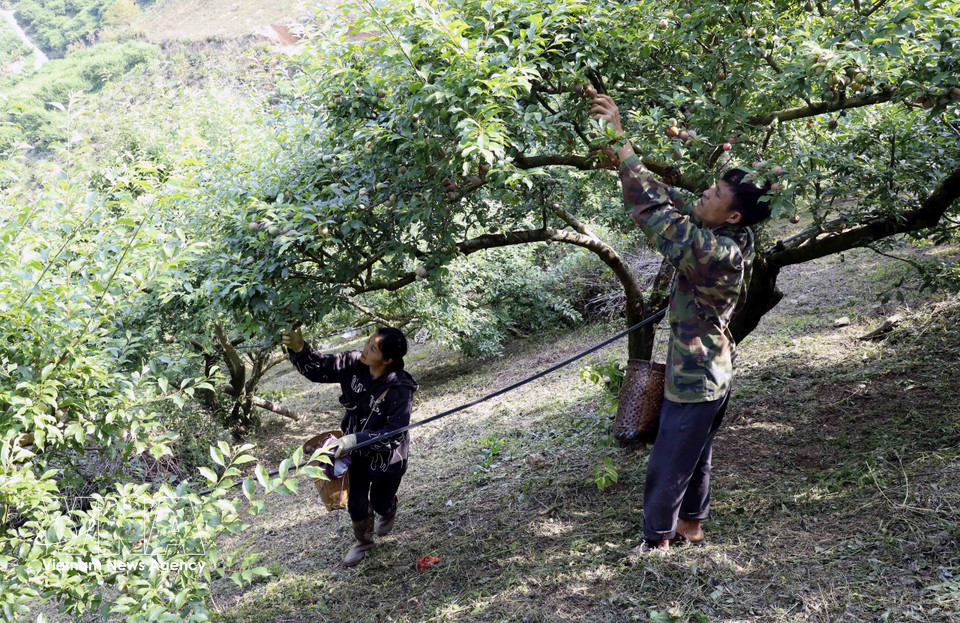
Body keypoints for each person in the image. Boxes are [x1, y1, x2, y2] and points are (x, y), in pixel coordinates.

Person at [588, 87, 772, 553]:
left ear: (732, 213)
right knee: (696, 453)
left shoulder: (717, 252)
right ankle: (691, 526)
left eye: (713, 193)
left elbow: (655, 213)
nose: (703, 193)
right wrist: (623, 158)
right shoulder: (730, 236)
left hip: (697, 373)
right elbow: (665, 196)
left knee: (670, 459)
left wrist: (623, 141)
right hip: (709, 368)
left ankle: (657, 542)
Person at [282, 326, 418, 566]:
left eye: (373, 348)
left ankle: (389, 508)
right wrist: (300, 349)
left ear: (388, 359)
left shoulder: (400, 389)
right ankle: (363, 542)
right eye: (368, 342)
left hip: (387, 457)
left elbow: (393, 435)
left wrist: (355, 440)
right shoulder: (354, 363)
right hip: (354, 453)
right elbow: (321, 368)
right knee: (356, 503)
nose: (365, 349)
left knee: (380, 501)